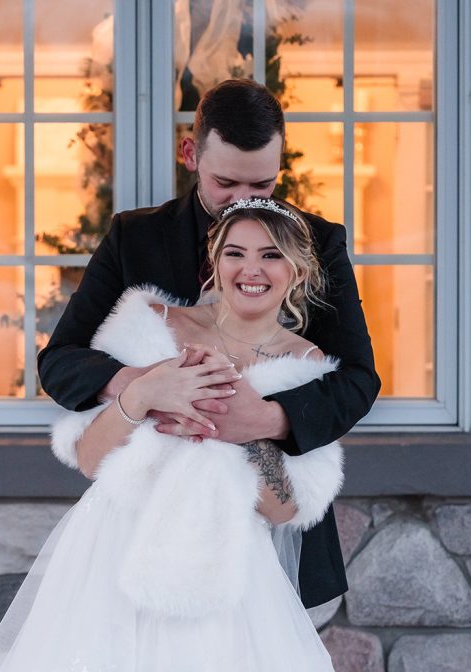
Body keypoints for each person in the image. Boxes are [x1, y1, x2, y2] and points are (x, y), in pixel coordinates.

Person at [0, 198, 345, 672]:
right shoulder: (152, 324)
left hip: (223, 564)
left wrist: (241, 426)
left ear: (297, 270)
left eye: (271, 255)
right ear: (214, 261)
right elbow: (87, 458)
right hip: (112, 549)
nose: (251, 269)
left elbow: (286, 508)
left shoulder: (306, 365)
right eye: (235, 253)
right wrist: (144, 391)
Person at [38, 78, 380, 609]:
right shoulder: (135, 237)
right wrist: (153, 387)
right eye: (226, 183)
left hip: (269, 533)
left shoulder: (319, 243)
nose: (243, 202)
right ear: (189, 153)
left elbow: (358, 378)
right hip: (143, 526)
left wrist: (262, 421)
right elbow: (60, 360)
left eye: (263, 187)